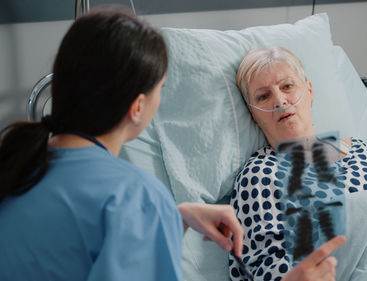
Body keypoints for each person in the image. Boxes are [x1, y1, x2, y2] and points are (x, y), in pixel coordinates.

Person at [0, 9, 243, 281]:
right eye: (160, 87)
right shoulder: (136, 197)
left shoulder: (15, 165)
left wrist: (171, 219)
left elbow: (64, 248)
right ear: (137, 107)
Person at [229, 46, 367, 281]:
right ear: (253, 114)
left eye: (287, 86)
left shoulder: (359, 148)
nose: (280, 100)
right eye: (263, 96)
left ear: (309, 91)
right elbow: (272, 267)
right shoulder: (260, 175)